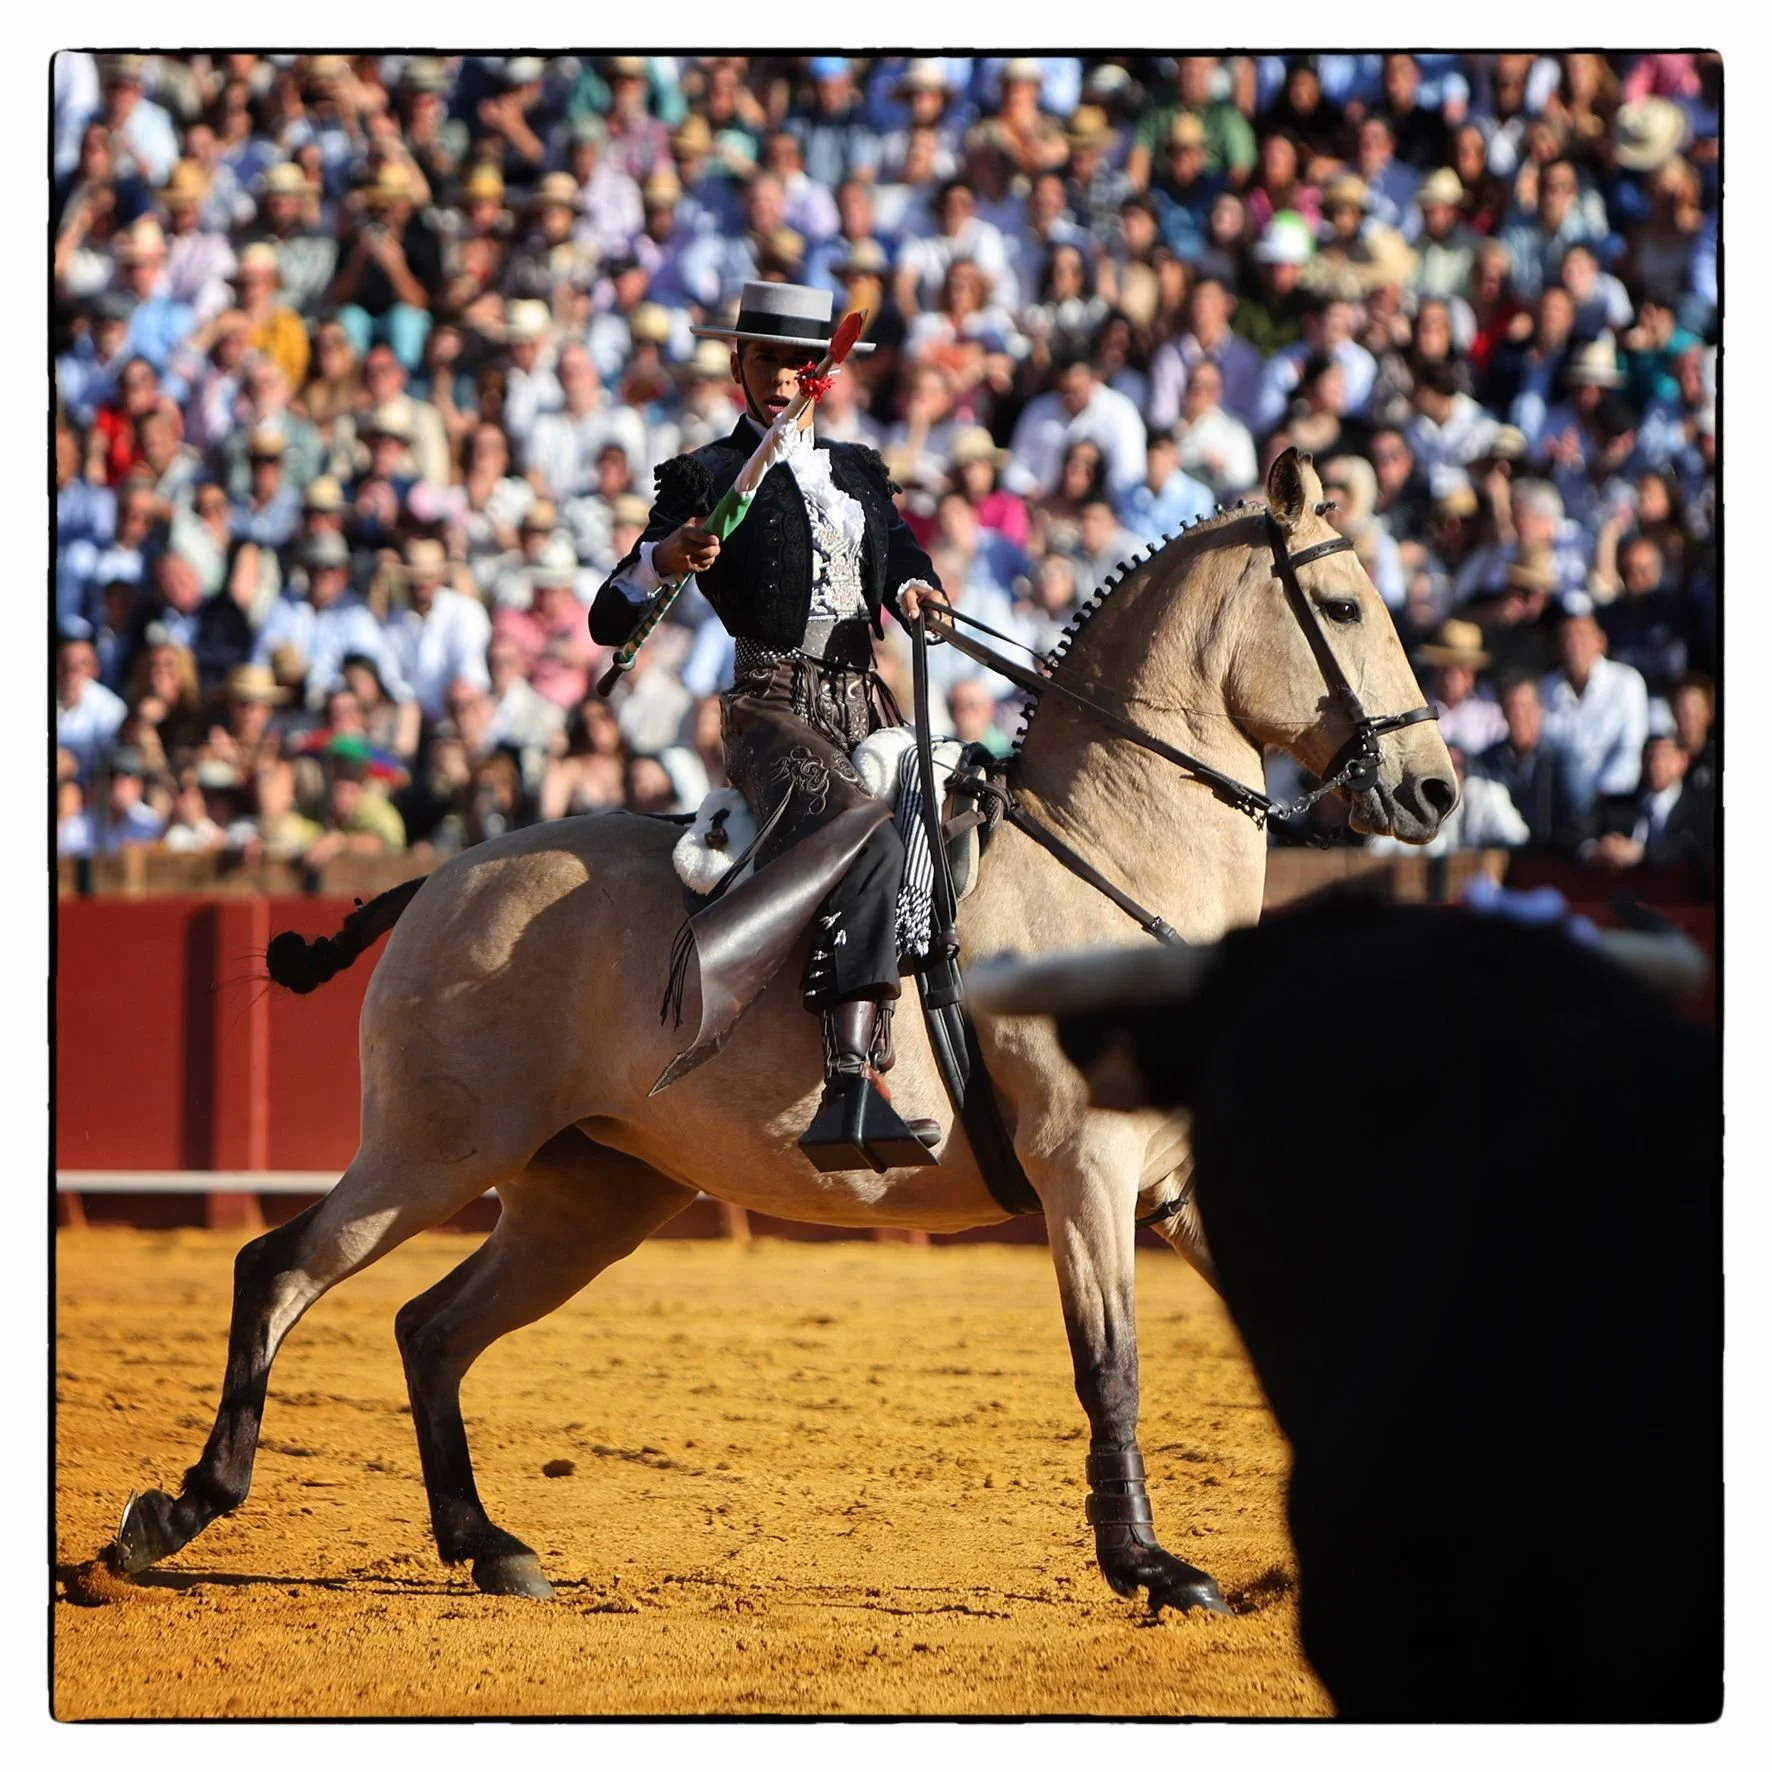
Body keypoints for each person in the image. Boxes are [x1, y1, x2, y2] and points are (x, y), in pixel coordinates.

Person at [590, 280, 946, 1166]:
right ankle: (849, 1081)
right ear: (737, 365)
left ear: (824, 371)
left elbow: (901, 553)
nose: (782, 376)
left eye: (799, 362)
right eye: (765, 359)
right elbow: (610, 615)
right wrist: (665, 555)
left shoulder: (857, 471)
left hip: (867, 703)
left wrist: (914, 588)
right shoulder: (706, 476)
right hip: (771, 709)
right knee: (863, 830)